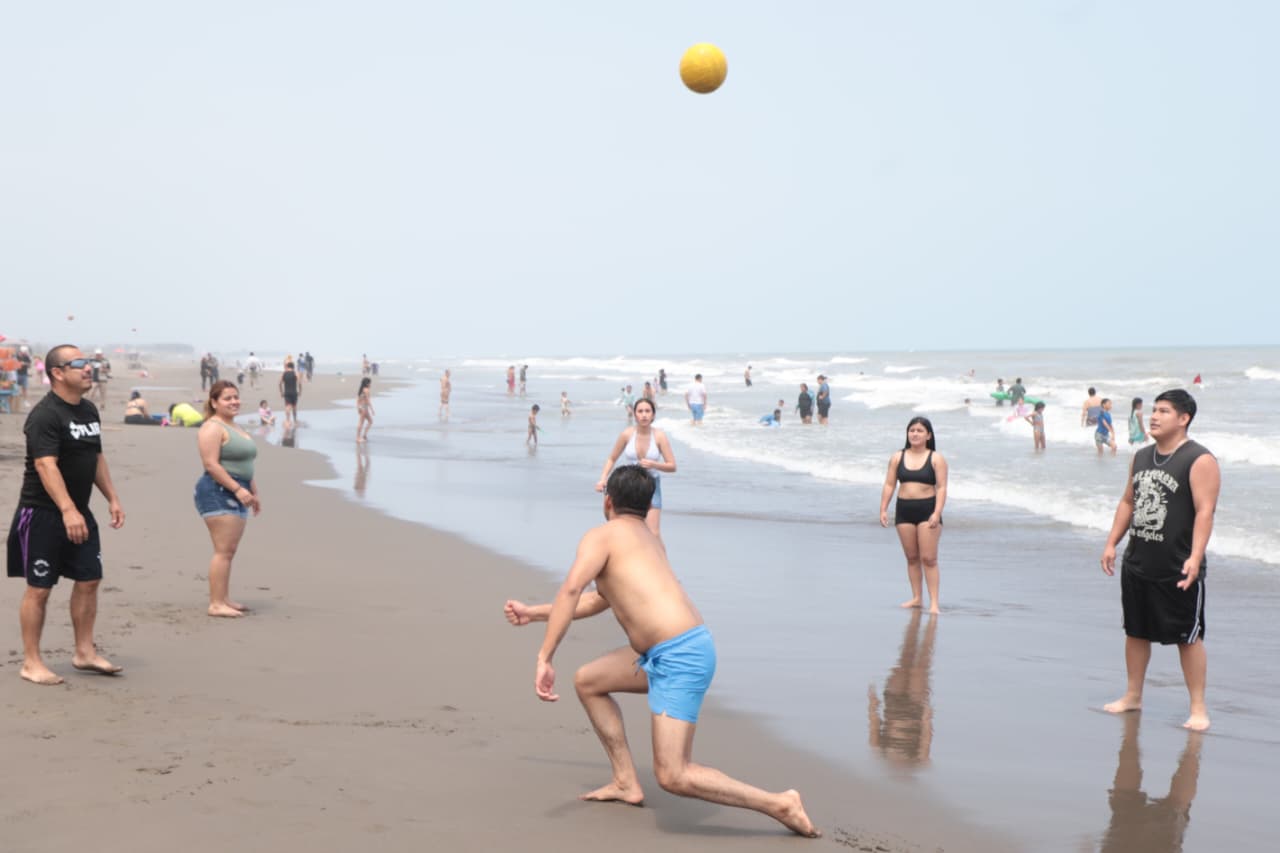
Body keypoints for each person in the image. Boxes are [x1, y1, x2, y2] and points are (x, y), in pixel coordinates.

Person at [502, 466, 820, 838]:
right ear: (647, 503)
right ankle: (625, 782)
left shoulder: (602, 537)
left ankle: (779, 803)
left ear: (608, 501)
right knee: (589, 681)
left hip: (679, 656)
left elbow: (571, 590)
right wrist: (534, 613)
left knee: (673, 774)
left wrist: (545, 657)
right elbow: (598, 599)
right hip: (673, 651)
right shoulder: (649, 539)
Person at [6, 345, 126, 684]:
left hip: (78, 511)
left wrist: (112, 498)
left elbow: (95, 457)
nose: (88, 368)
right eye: (79, 364)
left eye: (88, 362)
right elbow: (46, 465)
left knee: (89, 579)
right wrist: (67, 510)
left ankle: (84, 652)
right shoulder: (45, 415)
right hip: (42, 514)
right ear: (57, 373)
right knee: (40, 588)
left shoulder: (88, 410)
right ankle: (31, 662)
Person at [1100, 389, 1219, 731]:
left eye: (1164, 411)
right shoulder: (1141, 456)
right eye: (1154, 410)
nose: (1154, 416)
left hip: (1178, 566)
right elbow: (1128, 501)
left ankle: (1198, 708)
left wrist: (1195, 557)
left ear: (1183, 418)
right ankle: (1132, 695)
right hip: (1138, 561)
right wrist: (1111, 543)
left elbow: (1205, 512)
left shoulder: (1199, 459)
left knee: (1187, 637)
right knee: (1136, 632)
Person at [195, 380, 260, 618]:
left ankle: (224, 598)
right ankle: (215, 603)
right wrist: (237, 489)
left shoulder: (234, 426)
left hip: (237, 488)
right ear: (214, 402)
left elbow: (244, 464)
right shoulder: (212, 427)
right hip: (219, 490)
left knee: (229, 550)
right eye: (227, 398)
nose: (234, 402)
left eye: (236, 397)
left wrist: (253, 491)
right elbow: (211, 465)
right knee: (223, 550)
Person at [879, 417, 948, 614]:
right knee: (911, 557)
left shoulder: (936, 458)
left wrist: (937, 512)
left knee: (929, 558)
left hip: (928, 510)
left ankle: (934, 603)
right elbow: (889, 484)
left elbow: (942, 488)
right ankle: (917, 598)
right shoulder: (897, 457)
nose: (915, 434)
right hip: (904, 510)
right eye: (912, 430)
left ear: (929, 435)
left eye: (919, 430)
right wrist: (883, 508)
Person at [596, 398, 676, 536]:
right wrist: (603, 479)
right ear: (634, 414)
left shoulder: (659, 436)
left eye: (647, 411)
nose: (644, 415)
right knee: (625, 528)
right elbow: (612, 458)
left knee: (653, 532)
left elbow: (672, 466)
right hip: (629, 484)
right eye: (640, 411)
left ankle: (657, 551)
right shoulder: (627, 434)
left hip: (651, 485)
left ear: (653, 415)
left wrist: (654, 464)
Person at [279, 360, 301, 426]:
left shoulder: (284, 373)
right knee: (294, 406)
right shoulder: (295, 373)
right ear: (293, 367)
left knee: (287, 406)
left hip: (287, 392)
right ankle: (295, 420)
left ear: (287, 366)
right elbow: (299, 383)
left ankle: (288, 420)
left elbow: (280, 383)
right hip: (294, 392)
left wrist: (281, 392)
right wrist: (300, 391)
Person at [356, 377, 374, 443]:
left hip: (362, 407)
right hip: (364, 407)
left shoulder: (361, 389)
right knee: (361, 423)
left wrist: (358, 407)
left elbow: (357, 399)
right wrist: (372, 409)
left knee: (370, 421)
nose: (370, 384)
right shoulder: (366, 390)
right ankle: (358, 438)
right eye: (369, 383)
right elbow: (368, 400)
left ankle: (364, 435)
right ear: (367, 383)